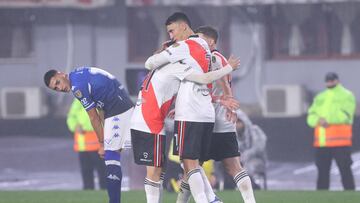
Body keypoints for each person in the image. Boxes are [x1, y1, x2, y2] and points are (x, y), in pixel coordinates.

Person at [130, 23, 240, 203]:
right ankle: (206, 200)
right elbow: (204, 80)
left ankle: (209, 199)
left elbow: (194, 84)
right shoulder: (178, 67)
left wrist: (221, 97)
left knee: (180, 164)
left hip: (158, 119)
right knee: (176, 166)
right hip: (157, 119)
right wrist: (228, 74)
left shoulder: (170, 68)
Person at [44, 67, 134, 203]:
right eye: (55, 88)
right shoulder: (78, 75)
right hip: (120, 106)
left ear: (61, 74)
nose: (59, 88)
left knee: (111, 158)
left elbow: (94, 117)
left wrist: (103, 143)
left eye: (57, 82)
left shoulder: (77, 87)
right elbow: (101, 105)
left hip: (118, 109)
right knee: (115, 157)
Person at [195, 26, 256, 203]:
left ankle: (210, 199)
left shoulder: (212, 58)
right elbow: (226, 84)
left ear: (211, 41)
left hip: (210, 119)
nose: (196, 42)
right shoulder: (220, 58)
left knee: (190, 164)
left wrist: (227, 102)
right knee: (233, 166)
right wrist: (230, 105)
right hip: (222, 119)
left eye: (200, 38)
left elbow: (217, 86)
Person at [306, 72, 356, 190]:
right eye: (327, 80)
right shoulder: (320, 97)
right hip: (322, 143)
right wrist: (318, 120)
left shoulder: (347, 95)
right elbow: (311, 116)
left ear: (337, 80)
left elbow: (346, 115)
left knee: (345, 171)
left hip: (340, 143)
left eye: (331, 80)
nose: (329, 82)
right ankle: (322, 197)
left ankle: (350, 196)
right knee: (322, 172)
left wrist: (326, 120)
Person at [66, 99, 107, 190]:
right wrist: (75, 126)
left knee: (103, 173)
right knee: (86, 173)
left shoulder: (99, 97)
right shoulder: (78, 100)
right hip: (83, 145)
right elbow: (71, 117)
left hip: (100, 146)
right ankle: (88, 194)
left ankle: (105, 194)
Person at [236, 110, 267, 190]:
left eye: (239, 122)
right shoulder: (233, 134)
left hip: (256, 160)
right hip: (239, 161)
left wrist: (248, 154)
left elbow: (260, 146)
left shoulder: (255, 131)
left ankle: (253, 185)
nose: (237, 125)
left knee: (250, 166)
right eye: (235, 122)